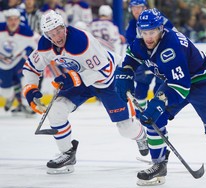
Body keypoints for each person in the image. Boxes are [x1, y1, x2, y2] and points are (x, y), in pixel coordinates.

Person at [115, 8, 206, 186]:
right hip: (176, 81)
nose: (148, 37)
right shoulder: (142, 42)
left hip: (203, 82)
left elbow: (181, 87)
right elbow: (131, 56)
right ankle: (159, 164)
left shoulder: (171, 47)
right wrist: (125, 73)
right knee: (155, 119)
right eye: (144, 33)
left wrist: (159, 102)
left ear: (160, 29)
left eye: (152, 32)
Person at [21, 10, 148, 174]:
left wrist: (73, 77)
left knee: (126, 129)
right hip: (82, 78)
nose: (58, 36)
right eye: (52, 33)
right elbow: (31, 67)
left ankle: (140, 136)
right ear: (46, 35)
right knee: (56, 110)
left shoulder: (81, 41)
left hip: (109, 80)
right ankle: (67, 155)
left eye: (59, 30)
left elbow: (106, 71)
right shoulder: (46, 46)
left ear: (64, 27)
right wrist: (30, 89)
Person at [125, 0, 175, 111]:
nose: (136, 11)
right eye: (134, 8)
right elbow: (132, 46)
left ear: (145, 8)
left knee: (161, 86)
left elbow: (174, 36)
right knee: (141, 84)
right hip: (145, 60)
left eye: (139, 7)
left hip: (162, 59)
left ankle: (157, 110)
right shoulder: (132, 24)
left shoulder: (160, 19)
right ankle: (140, 113)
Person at [0, 8, 37, 115]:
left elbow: (38, 44)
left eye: (15, 19)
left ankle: (27, 104)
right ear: (6, 20)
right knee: (6, 92)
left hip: (18, 61)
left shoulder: (26, 32)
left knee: (26, 79)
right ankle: (11, 97)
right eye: (10, 19)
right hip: (2, 65)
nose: (13, 22)